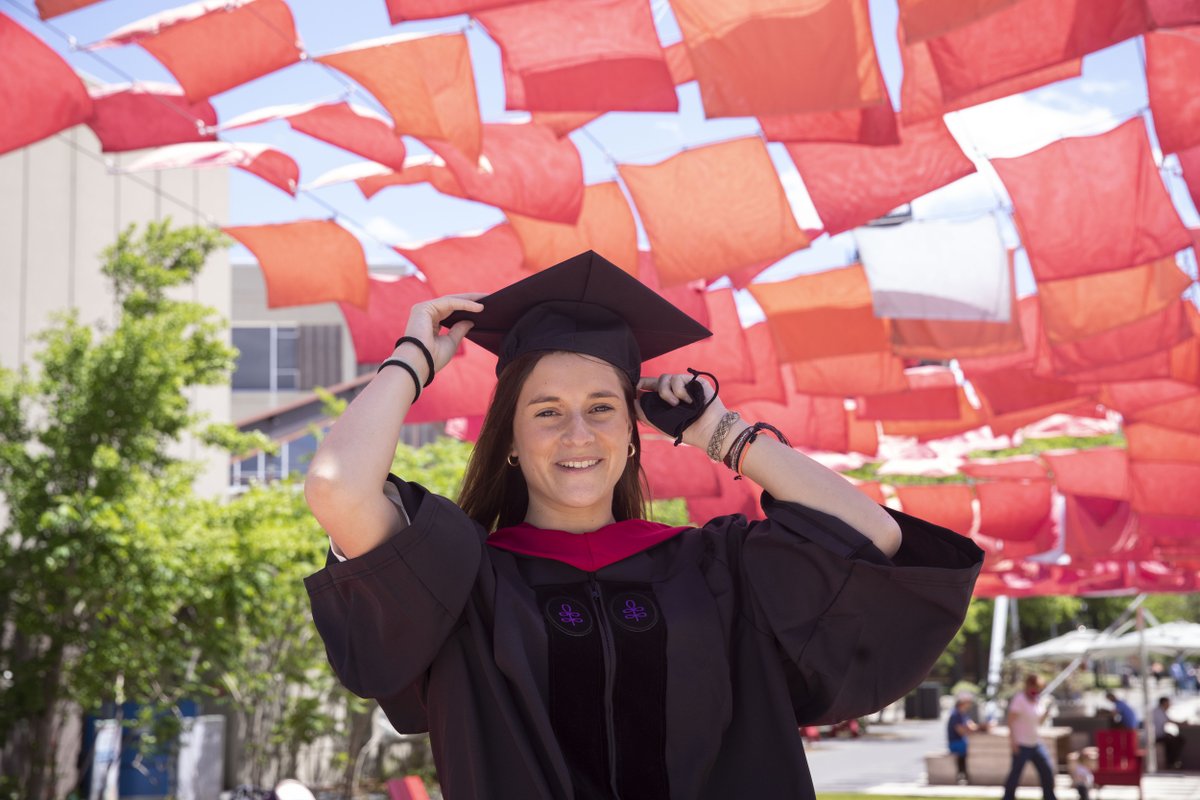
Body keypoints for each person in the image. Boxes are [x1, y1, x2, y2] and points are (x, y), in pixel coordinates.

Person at [302, 251, 984, 800]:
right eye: (546, 411)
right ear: (509, 439)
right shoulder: (465, 583)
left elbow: (876, 541)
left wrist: (723, 432)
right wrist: (411, 360)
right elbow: (337, 487)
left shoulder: (713, 570)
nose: (578, 432)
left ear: (632, 436)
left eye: (602, 408)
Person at [1003, 674, 1057, 800]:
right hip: (1021, 744)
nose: (1038, 690)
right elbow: (1010, 722)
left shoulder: (1037, 700)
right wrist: (1013, 742)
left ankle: (1050, 797)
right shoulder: (1019, 699)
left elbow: (1039, 721)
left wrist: (1047, 712)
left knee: (1047, 771)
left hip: (1035, 743)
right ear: (1029, 685)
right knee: (1015, 775)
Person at [947, 697, 980, 784]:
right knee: (969, 749)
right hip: (955, 743)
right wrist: (970, 730)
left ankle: (965, 773)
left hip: (961, 741)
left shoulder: (962, 714)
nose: (969, 705)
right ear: (961, 704)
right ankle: (964, 773)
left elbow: (970, 724)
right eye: (967, 703)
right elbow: (960, 731)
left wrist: (974, 728)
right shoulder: (955, 715)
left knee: (973, 748)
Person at [1153, 696, 1185, 769]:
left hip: (1161, 735)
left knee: (1178, 739)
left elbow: (1168, 720)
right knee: (1174, 741)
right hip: (1156, 736)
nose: (1169, 705)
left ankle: (1173, 761)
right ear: (1164, 703)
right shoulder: (1157, 712)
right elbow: (1169, 721)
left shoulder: (1161, 711)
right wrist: (1181, 723)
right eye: (1168, 703)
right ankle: (1171, 762)